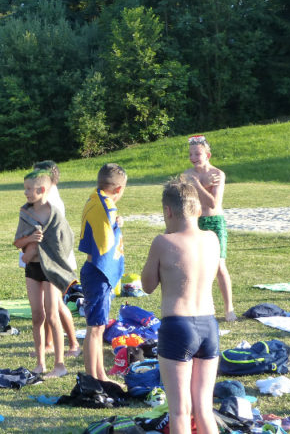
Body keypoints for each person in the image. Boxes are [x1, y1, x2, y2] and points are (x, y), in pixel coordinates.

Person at [141, 177, 221, 434]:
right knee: (204, 409)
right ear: (197, 209)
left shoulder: (163, 242)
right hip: (209, 324)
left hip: (178, 325)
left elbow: (147, 285)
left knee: (180, 411)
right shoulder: (212, 238)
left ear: (168, 211)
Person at [14, 169, 78, 378]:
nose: (26, 193)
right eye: (25, 189)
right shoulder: (25, 213)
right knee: (37, 316)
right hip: (33, 269)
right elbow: (17, 242)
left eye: (29, 189)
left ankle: (59, 365)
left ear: (41, 190)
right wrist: (31, 240)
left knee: (52, 314)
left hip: (52, 269)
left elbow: (66, 242)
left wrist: (45, 252)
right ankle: (40, 363)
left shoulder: (55, 214)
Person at [27, 161, 81, 358]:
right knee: (45, 304)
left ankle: (74, 344)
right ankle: (48, 343)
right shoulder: (42, 199)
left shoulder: (52, 203)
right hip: (41, 259)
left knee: (56, 304)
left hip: (54, 261)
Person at [78, 163, 126, 381]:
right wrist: (115, 224)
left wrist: (115, 223)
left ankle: (100, 375)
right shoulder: (107, 207)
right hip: (98, 273)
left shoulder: (94, 199)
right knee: (95, 329)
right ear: (118, 189)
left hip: (92, 271)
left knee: (97, 327)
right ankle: (93, 377)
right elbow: (106, 243)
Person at [182, 135, 236, 322]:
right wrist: (204, 185)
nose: (193, 157)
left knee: (219, 266)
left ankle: (229, 309)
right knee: (194, 265)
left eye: (197, 154)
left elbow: (213, 203)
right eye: (191, 154)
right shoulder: (186, 175)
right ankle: (198, 307)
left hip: (214, 222)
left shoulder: (218, 174)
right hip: (195, 222)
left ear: (207, 155)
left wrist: (197, 184)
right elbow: (185, 199)